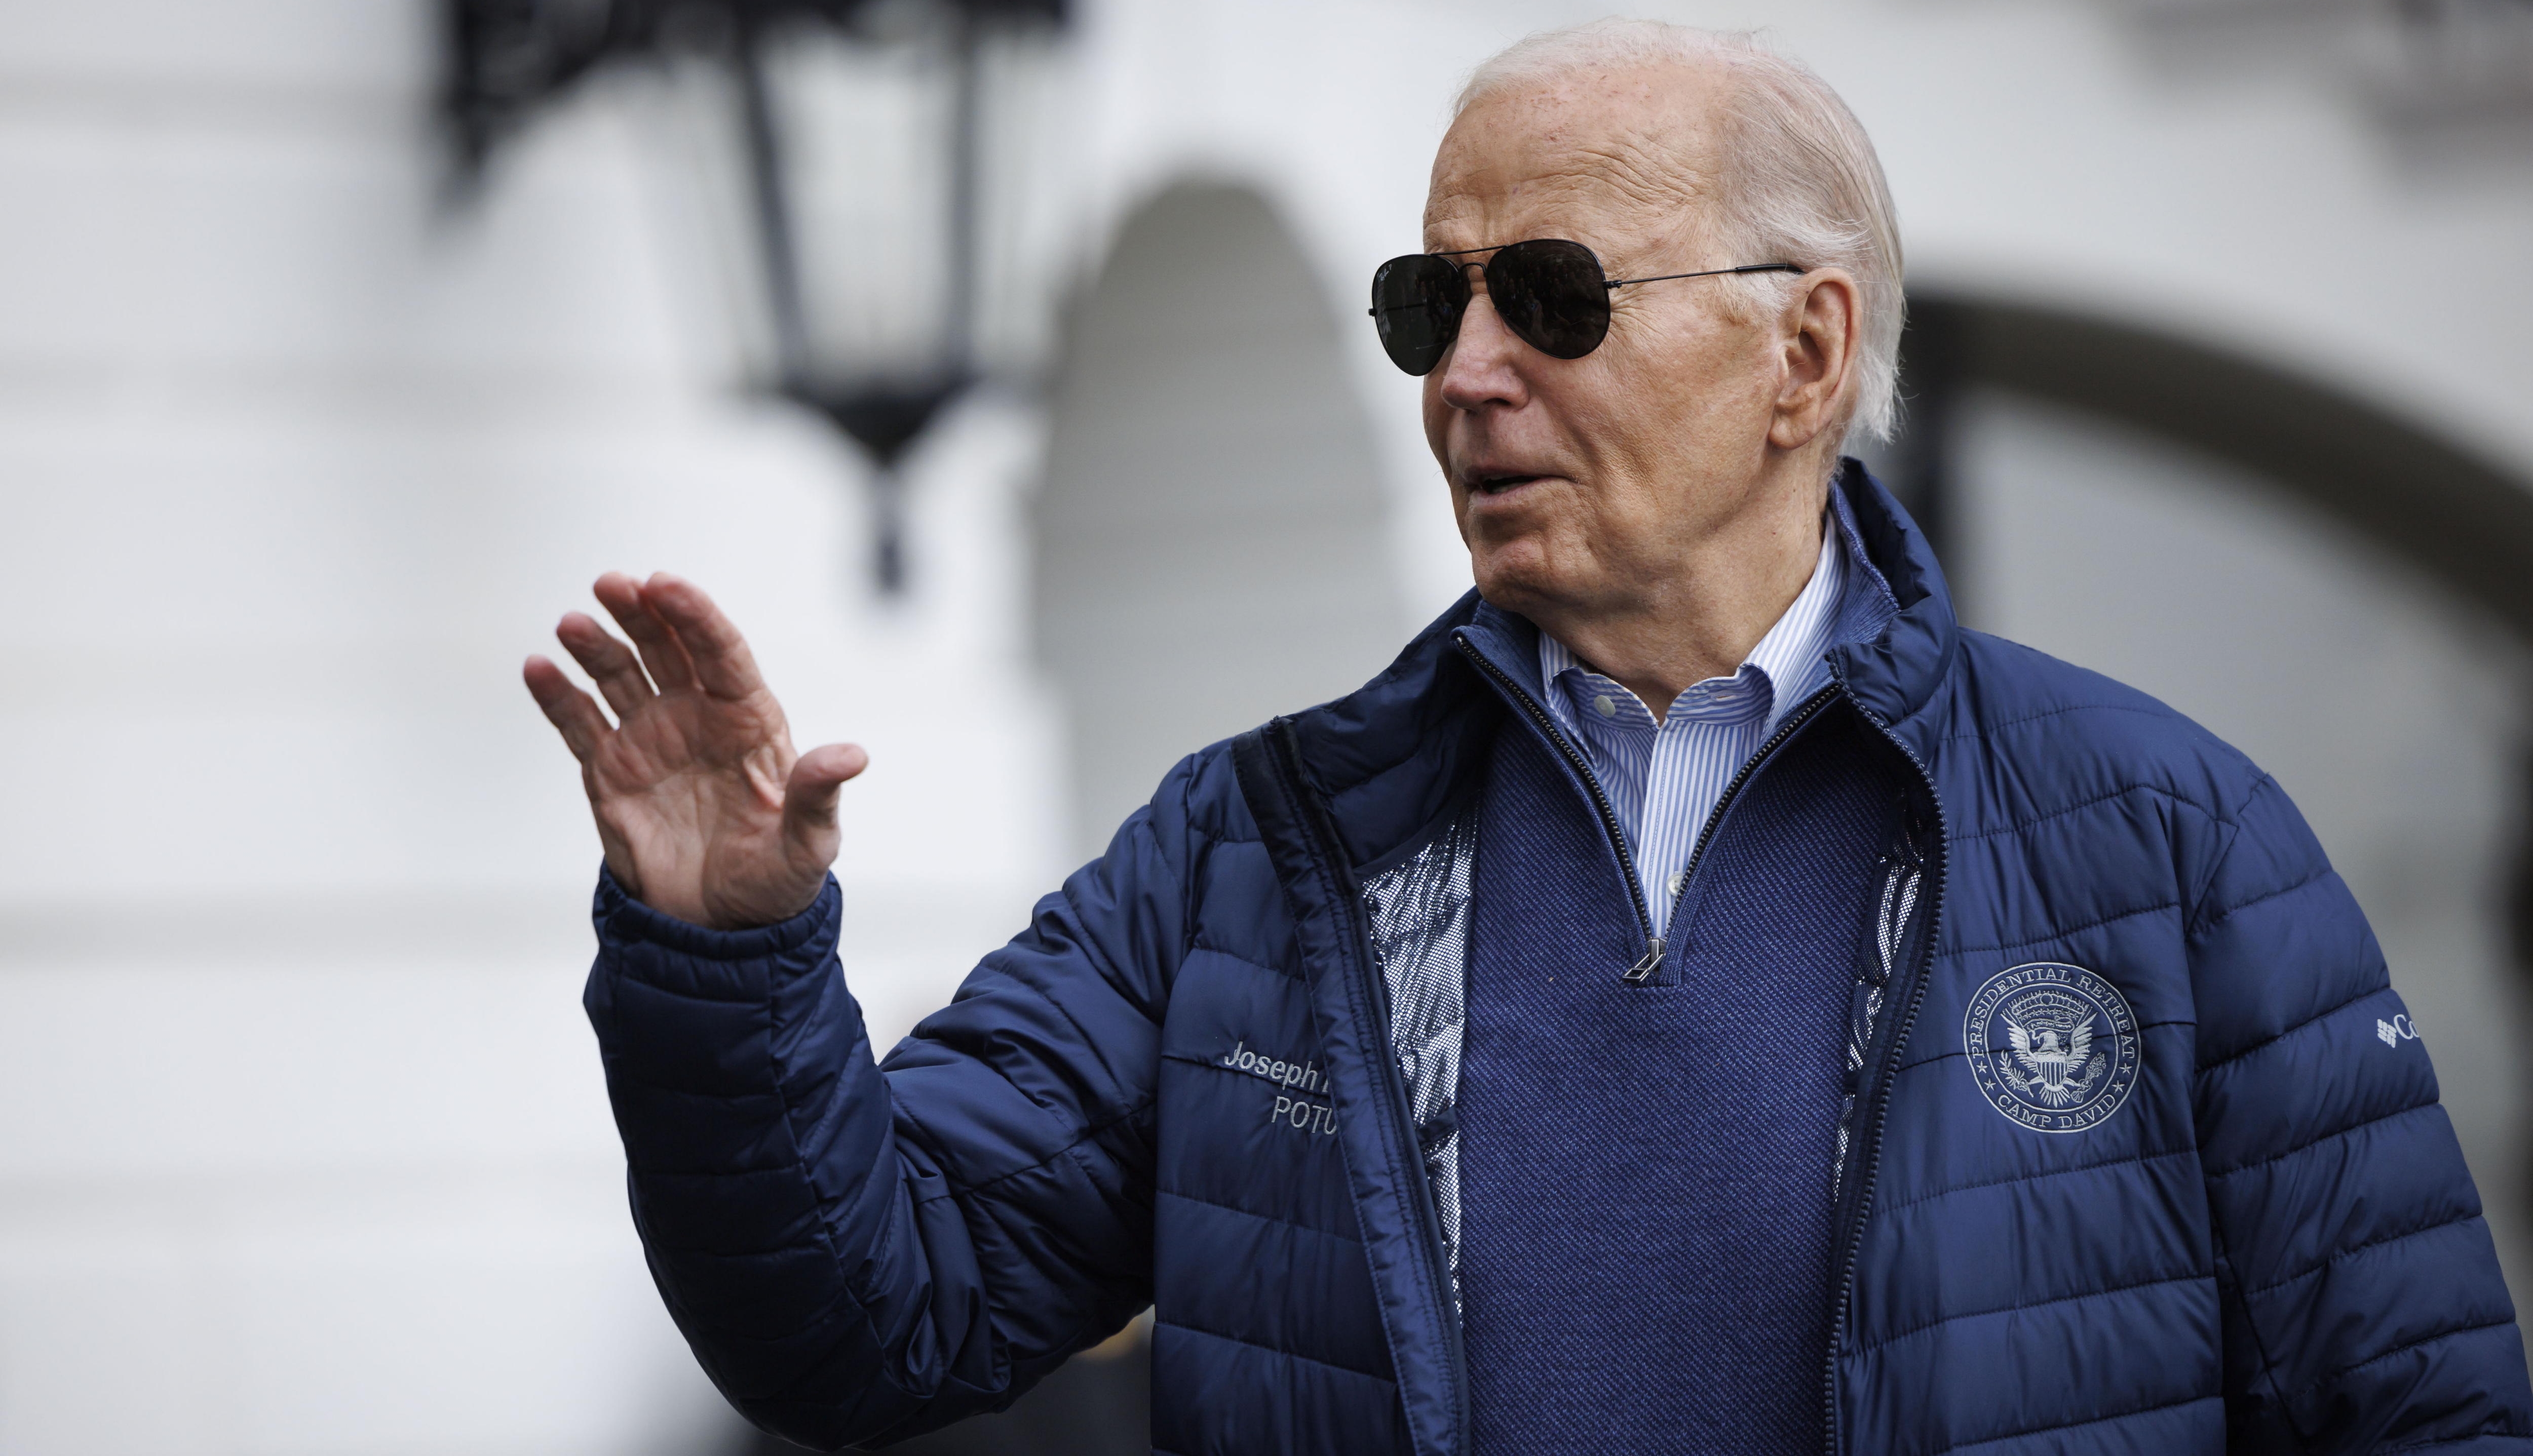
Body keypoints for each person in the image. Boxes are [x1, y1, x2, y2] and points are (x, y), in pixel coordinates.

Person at [524, 19, 2533, 1455]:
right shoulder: (1250, 846)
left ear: (1801, 352)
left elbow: (2422, 1410)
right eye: (1428, 304)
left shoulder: (2169, 838)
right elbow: (863, 1322)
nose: (1466, 375)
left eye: (1552, 298)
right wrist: (725, 960)